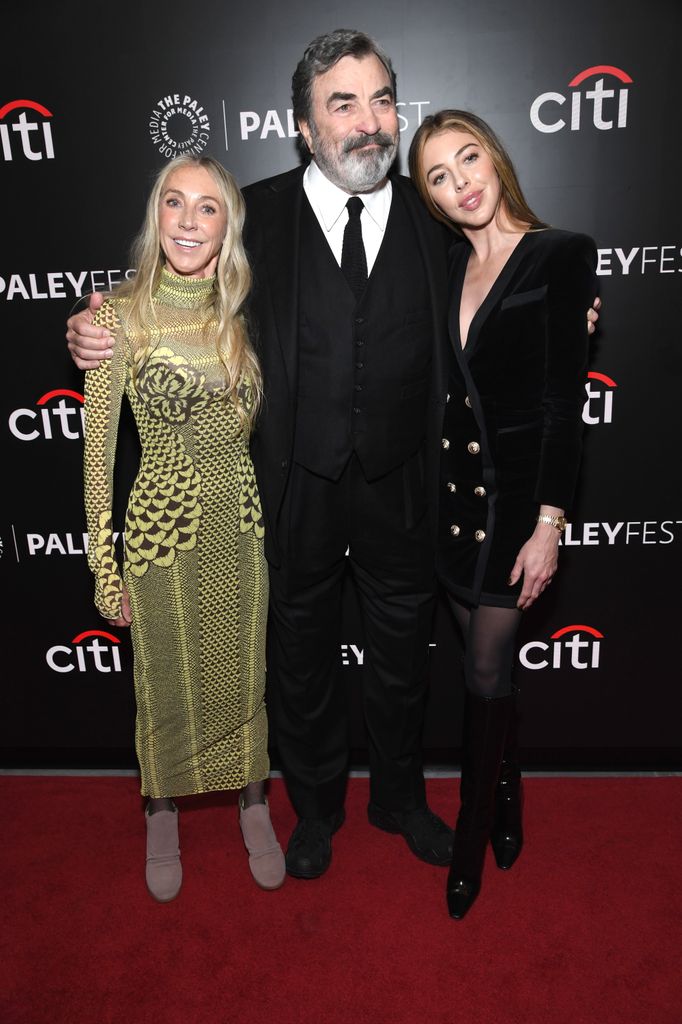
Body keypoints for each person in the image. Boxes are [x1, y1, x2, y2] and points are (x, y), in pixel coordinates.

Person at [68, 30, 599, 884]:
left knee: (401, 663)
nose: (368, 122)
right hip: (291, 491)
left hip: (405, 489)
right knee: (303, 663)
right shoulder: (255, 217)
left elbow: (510, 274)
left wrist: (564, 311)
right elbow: (168, 289)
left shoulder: (436, 223)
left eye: (382, 100)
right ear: (305, 127)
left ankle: (398, 800)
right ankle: (315, 809)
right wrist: (93, 326)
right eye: (342, 104)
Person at [408, 110, 597, 918]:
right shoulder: (448, 264)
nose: (462, 184)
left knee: (485, 669)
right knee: (487, 674)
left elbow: (563, 404)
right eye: (439, 179)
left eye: (468, 159)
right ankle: (510, 799)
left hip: (517, 508)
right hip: (450, 506)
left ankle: (472, 835)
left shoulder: (560, 255)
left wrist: (550, 522)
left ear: (495, 155)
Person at [83, 155, 285, 901]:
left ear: (226, 224)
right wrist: (105, 571)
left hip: (239, 525)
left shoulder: (238, 312)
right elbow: (96, 461)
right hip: (161, 535)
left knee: (244, 678)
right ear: (155, 215)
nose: (190, 222)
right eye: (176, 203)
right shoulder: (116, 317)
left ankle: (253, 799)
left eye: (208, 208)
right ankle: (161, 807)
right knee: (164, 682)